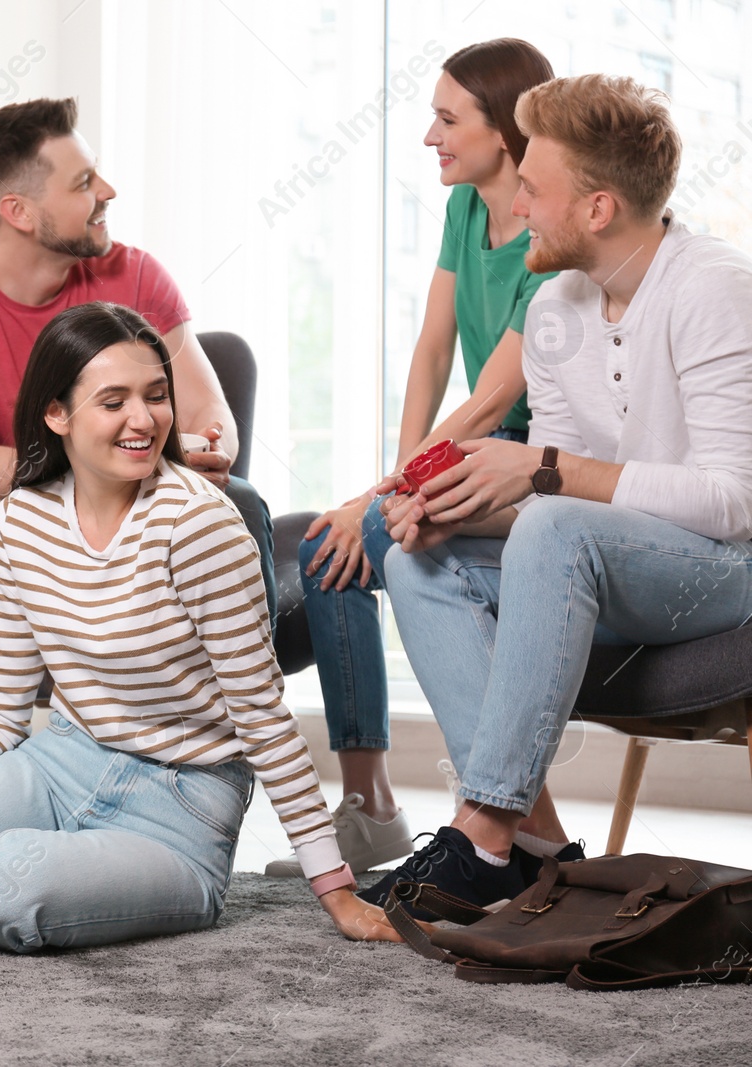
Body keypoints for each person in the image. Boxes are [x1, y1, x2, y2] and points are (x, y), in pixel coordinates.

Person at [0, 302, 400, 950]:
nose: (144, 419)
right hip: (61, 764)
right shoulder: (22, 519)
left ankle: (29, 866)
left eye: (156, 396)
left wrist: (337, 892)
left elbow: (263, 718)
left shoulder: (203, 527)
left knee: (2, 892)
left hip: (182, 809)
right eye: (114, 401)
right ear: (58, 415)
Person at [362, 74, 752, 915]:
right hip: (607, 560)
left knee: (552, 520)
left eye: (534, 191)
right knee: (418, 555)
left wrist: (542, 475)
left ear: (599, 208)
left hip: (721, 577)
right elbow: (557, 502)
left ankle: (485, 831)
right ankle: (527, 845)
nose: (520, 212)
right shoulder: (555, 306)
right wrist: (465, 507)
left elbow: (733, 503)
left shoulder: (714, 288)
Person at [272, 40, 557, 879]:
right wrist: (399, 476)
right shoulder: (466, 208)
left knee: (355, 527)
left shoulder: (548, 238)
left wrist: (388, 493)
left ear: (503, 131)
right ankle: (373, 808)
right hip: (466, 443)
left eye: (447, 118)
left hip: (526, 456)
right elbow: (433, 352)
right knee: (335, 546)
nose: (430, 135)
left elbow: (492, 400)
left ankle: (506, 828)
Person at [0, 97, 276, 733]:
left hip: (142, 500)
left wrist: (203, 448)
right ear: (17, 212)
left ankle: (223, 748)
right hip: (23, 514)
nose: (107, 191)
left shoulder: (135, 274)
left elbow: (209, 413)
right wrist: (92, 470)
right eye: (83, 183)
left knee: (238, 500)